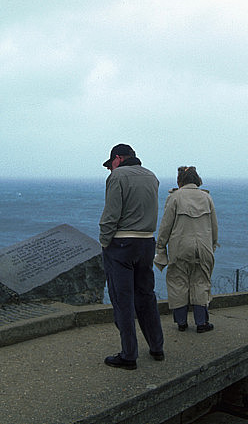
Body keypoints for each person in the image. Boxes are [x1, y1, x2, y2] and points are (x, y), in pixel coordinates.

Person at [99, 144, 165, 370]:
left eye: (110, 165)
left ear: (117, 159)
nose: (110, 169)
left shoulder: (117, 177)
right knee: (146, 296)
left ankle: (129, 355)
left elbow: (111, 215)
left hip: (122, 244)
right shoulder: (151, 176)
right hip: (147, 242)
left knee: (122, 300)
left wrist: (104, 242)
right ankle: (157, 346)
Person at [154, 166, 218, 333]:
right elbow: (214, 226)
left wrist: (160, 247)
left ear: (180, 180)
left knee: (178, 282)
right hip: (203, 247)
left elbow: (166, 225)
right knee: (201, 281)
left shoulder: (174, 197)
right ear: (197, 179)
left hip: (180, 247)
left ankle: (181, 322)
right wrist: (212, 245)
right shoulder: (206, 197)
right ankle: (202, 323)